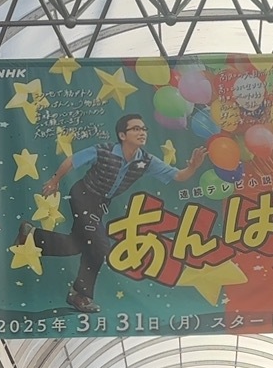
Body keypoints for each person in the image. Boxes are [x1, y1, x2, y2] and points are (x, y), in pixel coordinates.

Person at [22, 113, 207, 314]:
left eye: (143, 129)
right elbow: (72, 160)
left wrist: (192, 166)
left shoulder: (146, 161)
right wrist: (54, 180)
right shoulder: (104, 150)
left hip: (100, 204)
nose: (142, 132)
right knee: (99, 246)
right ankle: (79, 295)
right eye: (136, 129)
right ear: (122, 135)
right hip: (83, 195)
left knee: (76, 244)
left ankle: (31, 236)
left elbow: (179, 176)